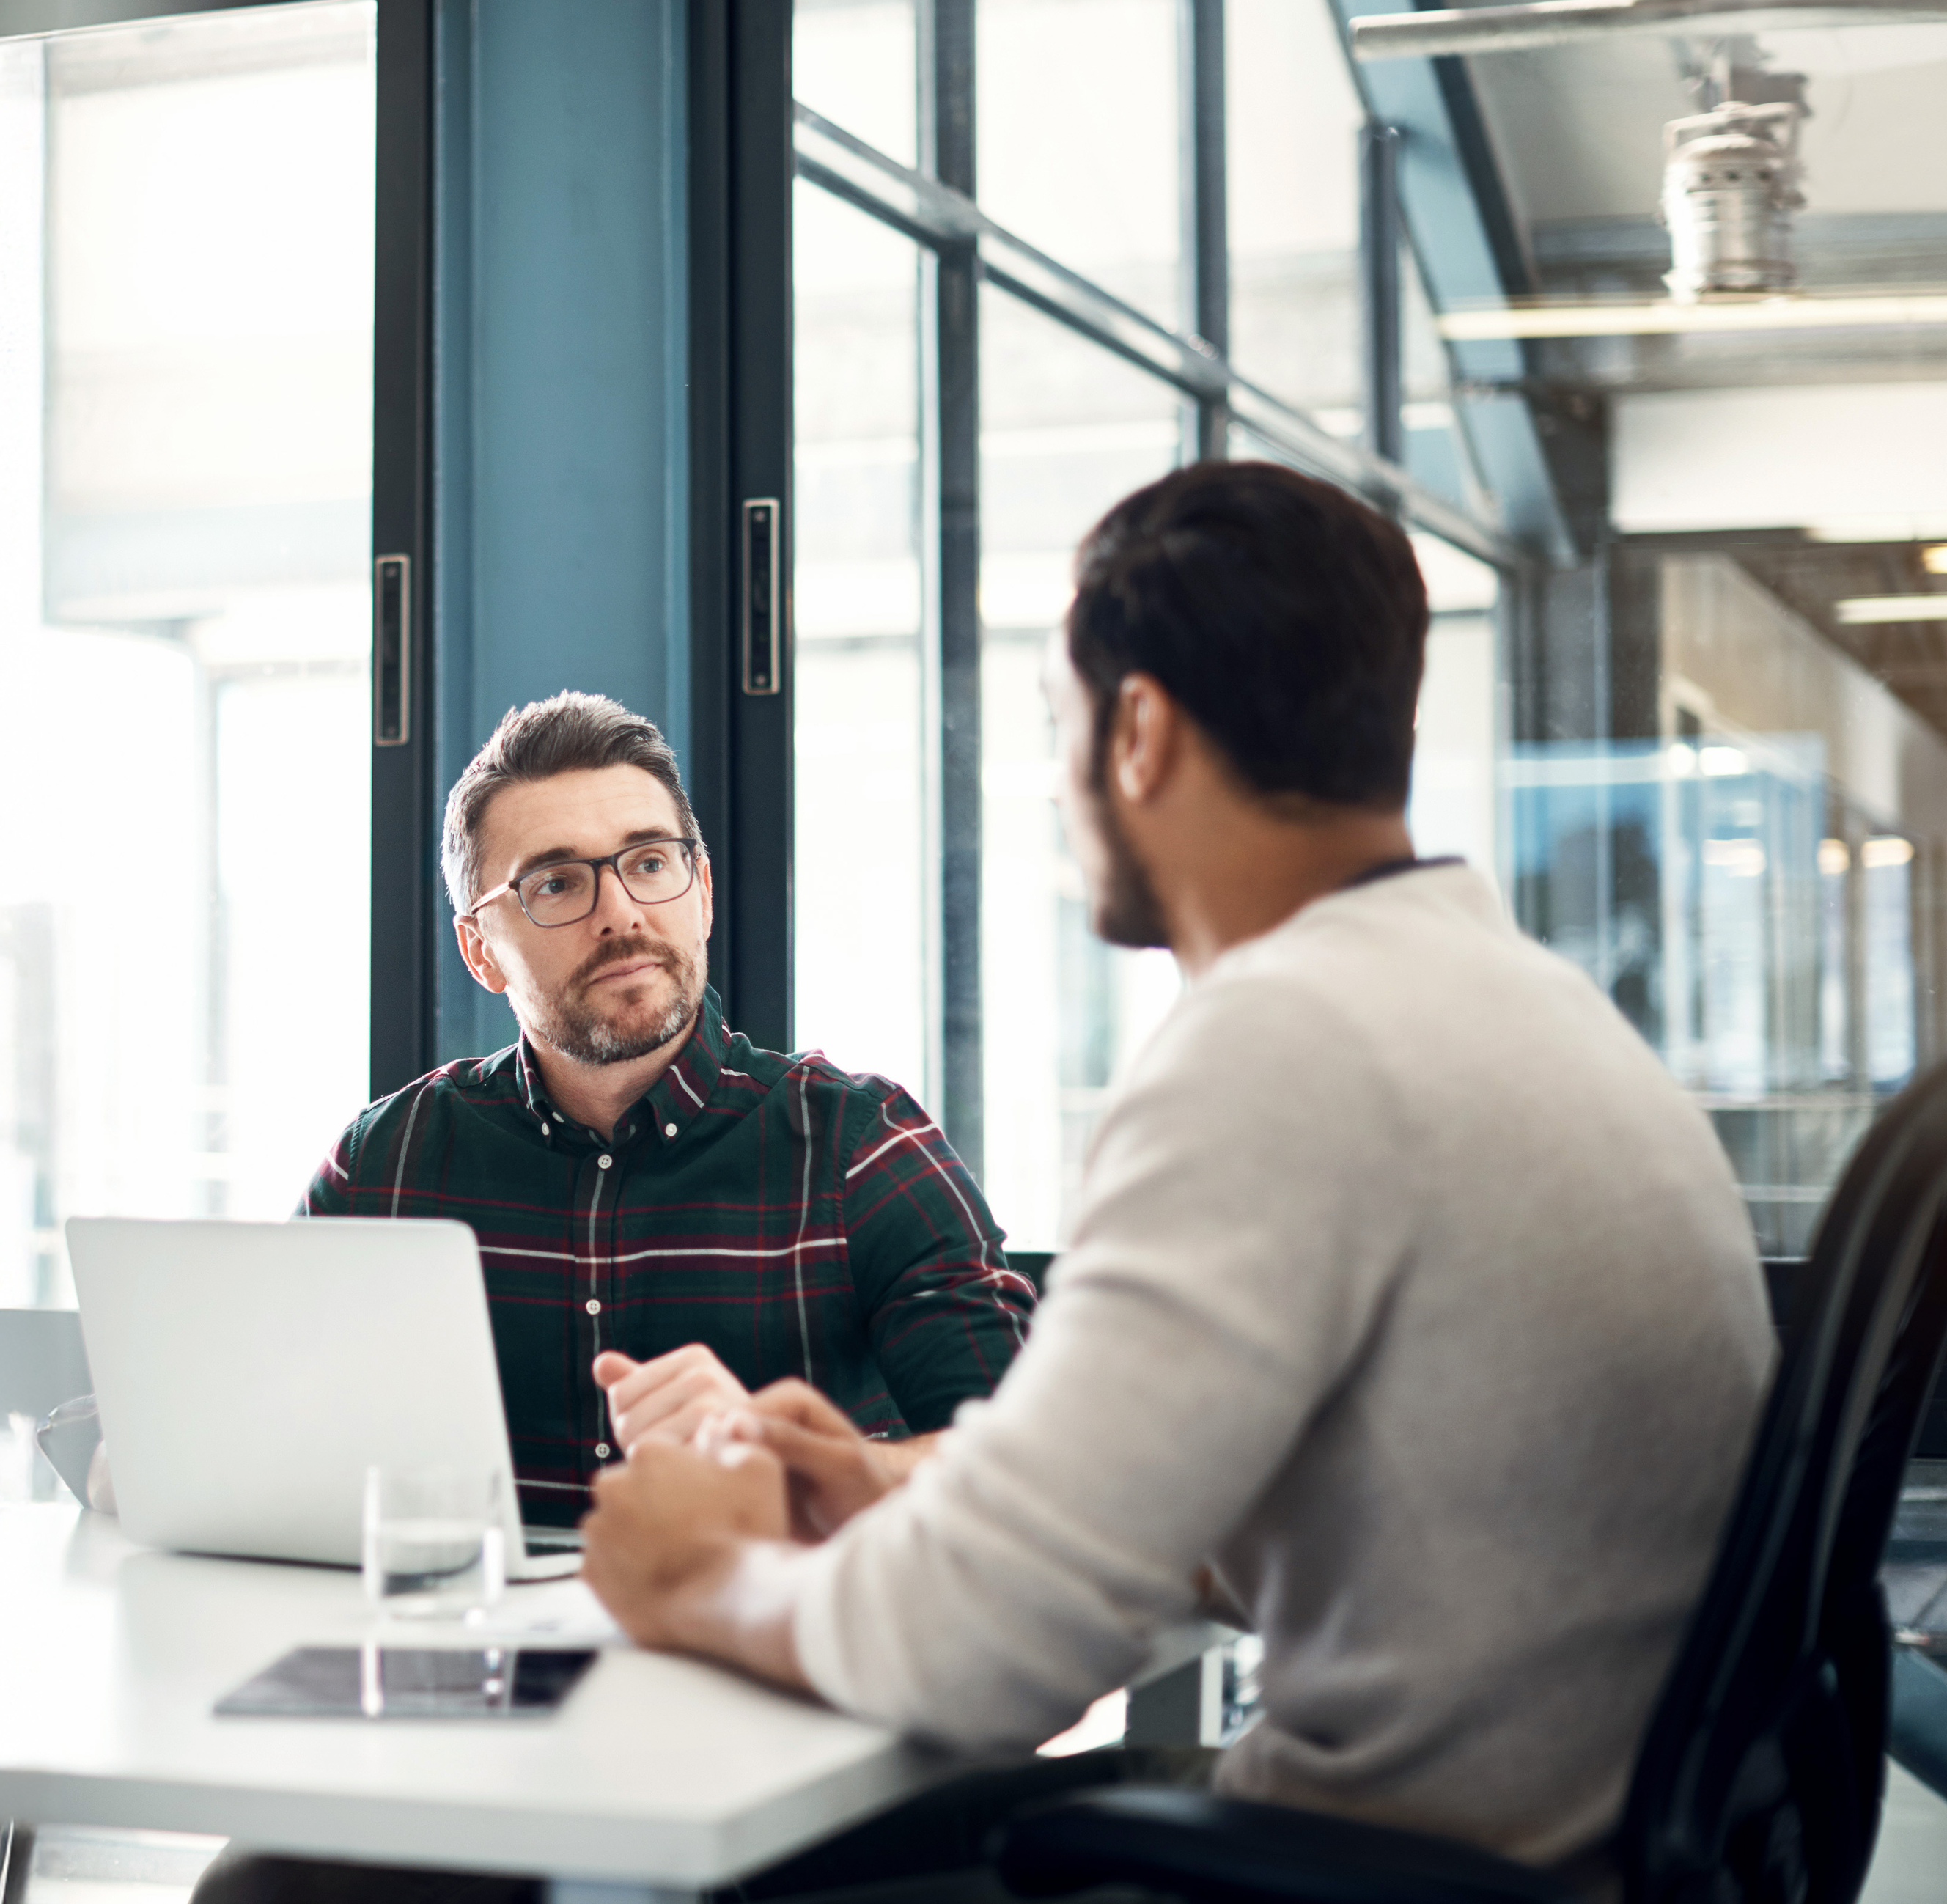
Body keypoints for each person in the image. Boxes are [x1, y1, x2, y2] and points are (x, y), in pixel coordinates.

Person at [581, 461, 1773, 1893]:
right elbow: (1259, 1493)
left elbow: (982, 1658)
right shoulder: (1512, 1002)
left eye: (1057, 725)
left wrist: (695, 1571)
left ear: (1135, 729)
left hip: (1362, 1868)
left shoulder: (1279, 1045)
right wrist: (896, 1477)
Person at [303, 691, 1034, 1528]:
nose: (620, 913)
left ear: (703, 891)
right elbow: (229, 1420)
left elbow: (1026, 1467)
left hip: (766, 1648)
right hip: (473, 1649)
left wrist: (803, 1467)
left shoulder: (858, 1146)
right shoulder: (385, 1163)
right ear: (480, 950)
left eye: (649, 862)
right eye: (556, 882)